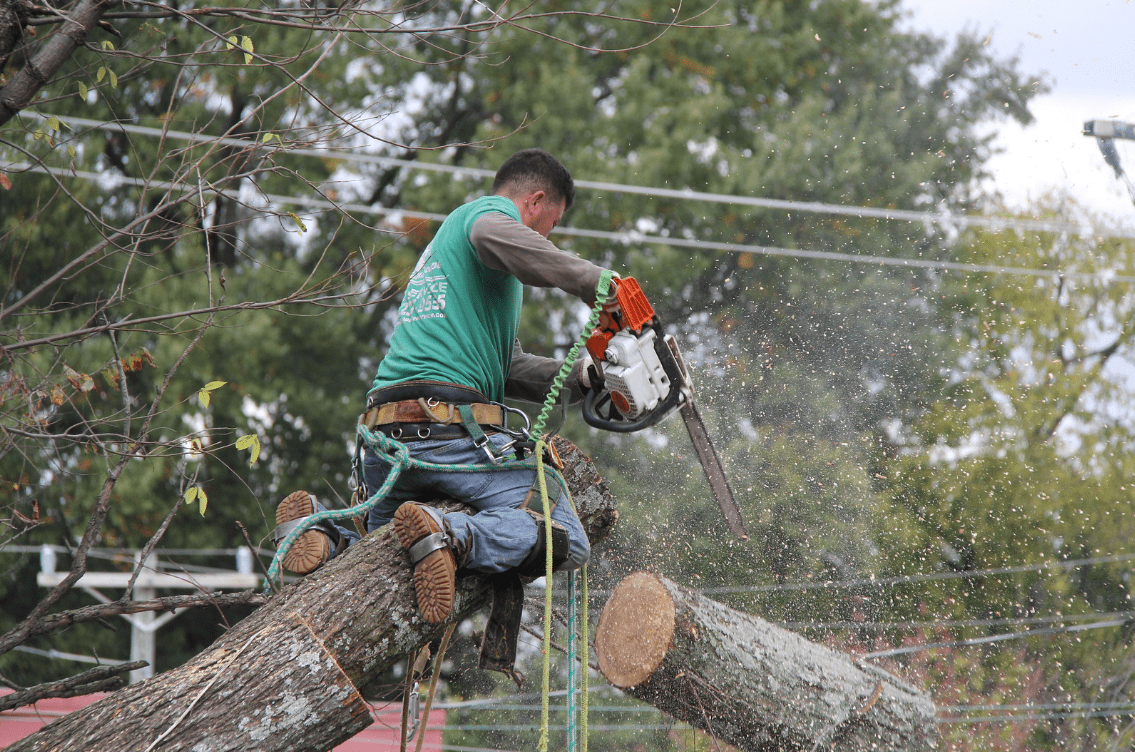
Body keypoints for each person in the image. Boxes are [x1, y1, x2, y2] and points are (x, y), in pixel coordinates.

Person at [273, 148, 615, 626]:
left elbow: (509, 366)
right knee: (566, 534)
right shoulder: (485, 217)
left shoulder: (458, 261)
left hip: (385, 435)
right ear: (534, 202)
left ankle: (326, 534)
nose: (546, 239)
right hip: (447, 431)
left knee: (388, 549)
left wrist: (582, 378)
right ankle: (452, 534)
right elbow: (495, 233)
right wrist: (597, 282)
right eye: (549, 226)